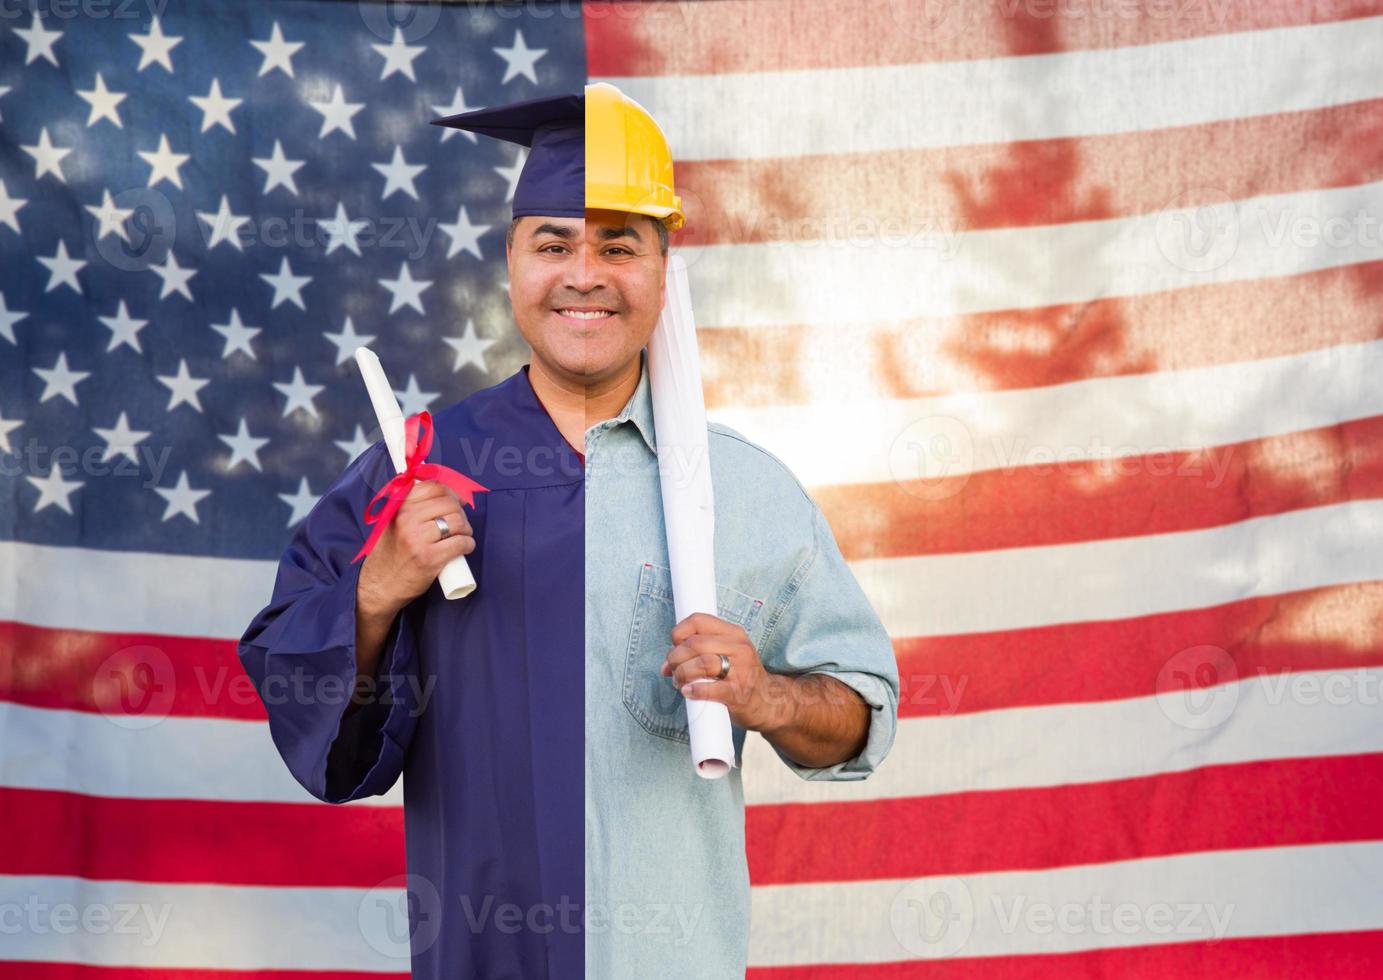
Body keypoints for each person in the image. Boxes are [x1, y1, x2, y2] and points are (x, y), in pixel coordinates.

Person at [238, 82, 899, 979]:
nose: (583, 274)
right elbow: (288, 671)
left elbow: (860, 714)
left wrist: (770, 699)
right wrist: (375, 590)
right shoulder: (417, 472)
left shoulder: (741, 487)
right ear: (512, 266)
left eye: (617, 247)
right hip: (479, 954)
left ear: (663, 274)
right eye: (553, 245)